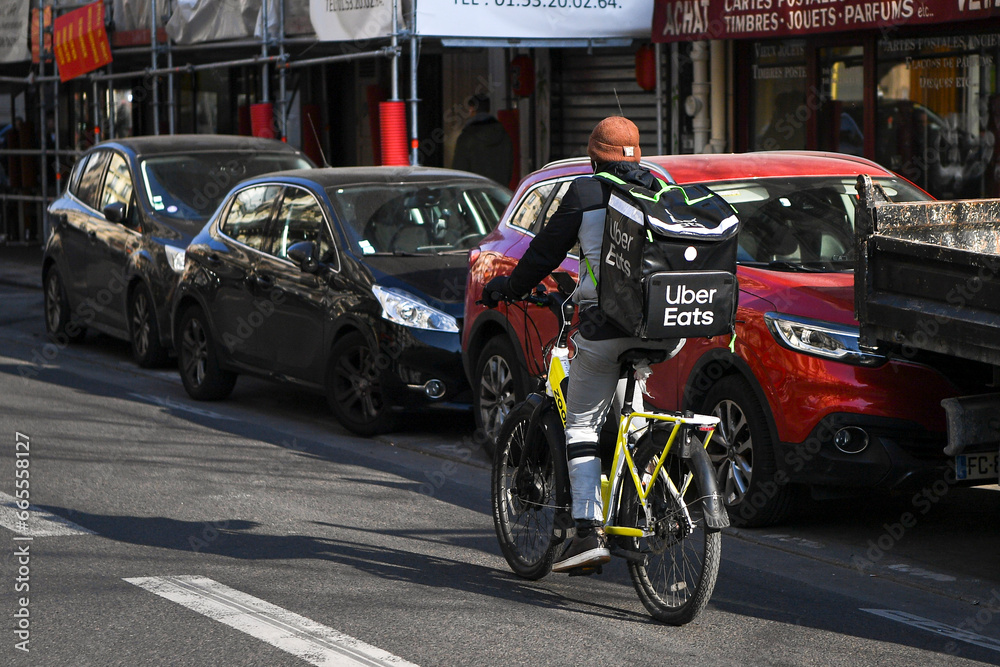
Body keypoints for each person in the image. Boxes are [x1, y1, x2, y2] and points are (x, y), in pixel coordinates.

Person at [481, 117, 683, 573]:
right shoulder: (660, 189)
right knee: (627, 406)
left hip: (609, 325)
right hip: (668, 328)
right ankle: (642, 474)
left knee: (581, 423)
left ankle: (587, 531)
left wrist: (510, 286)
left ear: (593, 157)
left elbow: (543, 253)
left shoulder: (586, 194)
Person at [452, 93, 514, 187]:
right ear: (488, 110)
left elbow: (459, 171)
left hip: (475, 194)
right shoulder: (503, 134)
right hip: (499, 192)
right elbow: (509, 167)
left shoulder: (467, 137)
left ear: (472, 109)